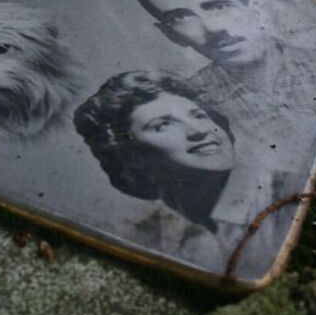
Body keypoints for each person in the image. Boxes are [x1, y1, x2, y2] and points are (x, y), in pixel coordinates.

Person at [74, 70, 293, 272]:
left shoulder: (285, 194)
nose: (198, 130)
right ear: (132, 155)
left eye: (198, 115)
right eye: (163, 125)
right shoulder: (152, 237)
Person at [133, 0, 316, 171]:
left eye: (219, 6)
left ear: (254, 9)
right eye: (181, 18)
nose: (213, 28)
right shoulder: (191, 103)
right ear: (171, 34)